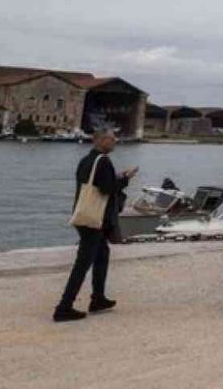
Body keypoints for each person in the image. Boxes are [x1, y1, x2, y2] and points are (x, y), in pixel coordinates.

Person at [54, 128, 137, 322]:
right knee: (83, 263)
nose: (115, 141)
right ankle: (64, 307)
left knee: (102, 255)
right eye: (111, 138)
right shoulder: (104, 161)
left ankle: (98, 298)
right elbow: (107, 189)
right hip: (95, 219)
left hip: (84, 214)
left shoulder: (87, 160)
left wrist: (117, 177)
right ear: (100, 140)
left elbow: (96, 185)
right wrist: (125, 179)